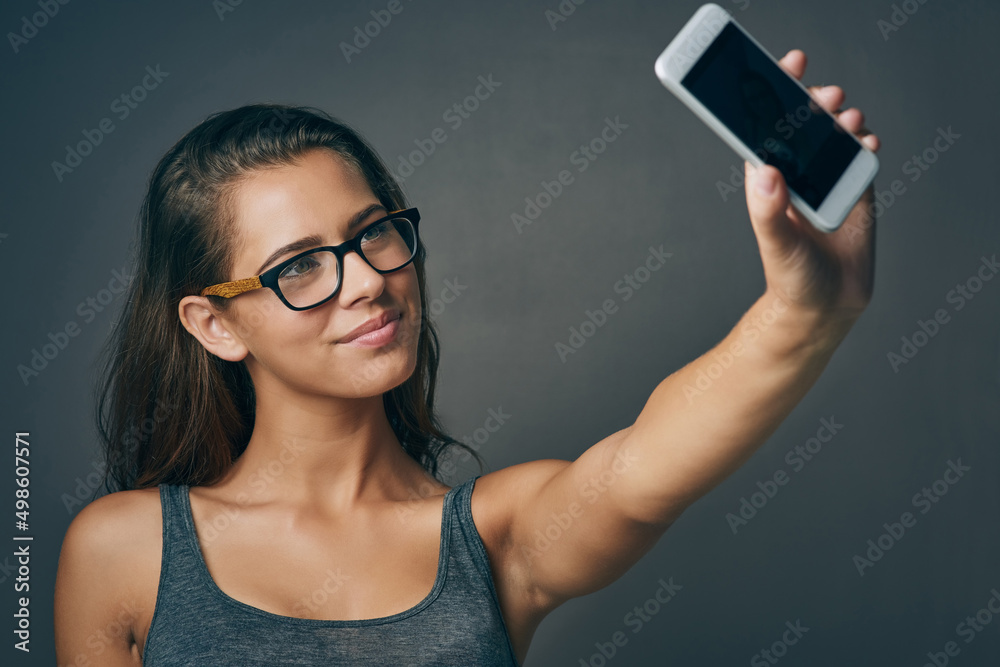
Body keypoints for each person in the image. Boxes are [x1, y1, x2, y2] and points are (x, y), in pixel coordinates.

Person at [54, 49, 880, 666]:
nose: (367, 283)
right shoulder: (125, 550)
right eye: (299, 265)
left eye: (374, 232)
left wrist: (806, 310)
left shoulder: (498, 536)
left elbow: (644, 464)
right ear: (214, 325)